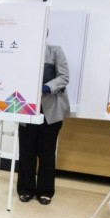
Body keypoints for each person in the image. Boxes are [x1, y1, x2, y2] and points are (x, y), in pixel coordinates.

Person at [17, 43, 70, 205]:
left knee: (47, 152)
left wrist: (46, 88)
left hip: (50, 109)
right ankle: (26, 189)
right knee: (26, 150)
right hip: (27, 108)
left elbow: (64, 77)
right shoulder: (23, 51)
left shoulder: (55, 51)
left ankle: (45, 191)